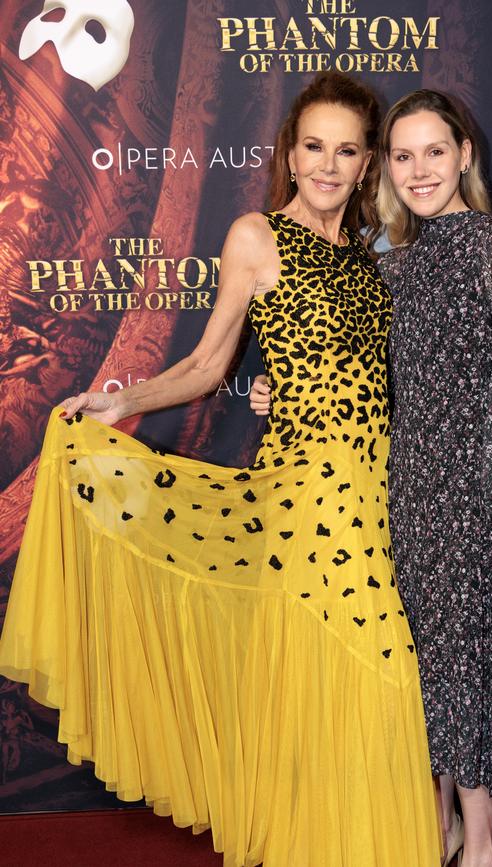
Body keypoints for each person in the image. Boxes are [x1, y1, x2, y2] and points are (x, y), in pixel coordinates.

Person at [0, 73, 442, 867]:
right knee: (375, 668)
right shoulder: (255, 237)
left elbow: (377, 370)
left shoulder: (378, 251)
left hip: (379, 488)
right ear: (290, 152)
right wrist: (117, 402)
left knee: (350, 673)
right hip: (307, 492)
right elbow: (208, 362)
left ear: (369, 161)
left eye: (347, 150)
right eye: (314, 147)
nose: (328, 166)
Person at [251, 89, 492, 867]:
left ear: (465, 154)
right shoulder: (396, 264)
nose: (420, 169)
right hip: (406, 504)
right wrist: (278, 387)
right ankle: (431, 837)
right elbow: (362, 373)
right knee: (424, 688)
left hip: (486, 507)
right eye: (402, 154)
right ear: (384, 169)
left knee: (469, 681)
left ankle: (483, 849)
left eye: (435, 151)